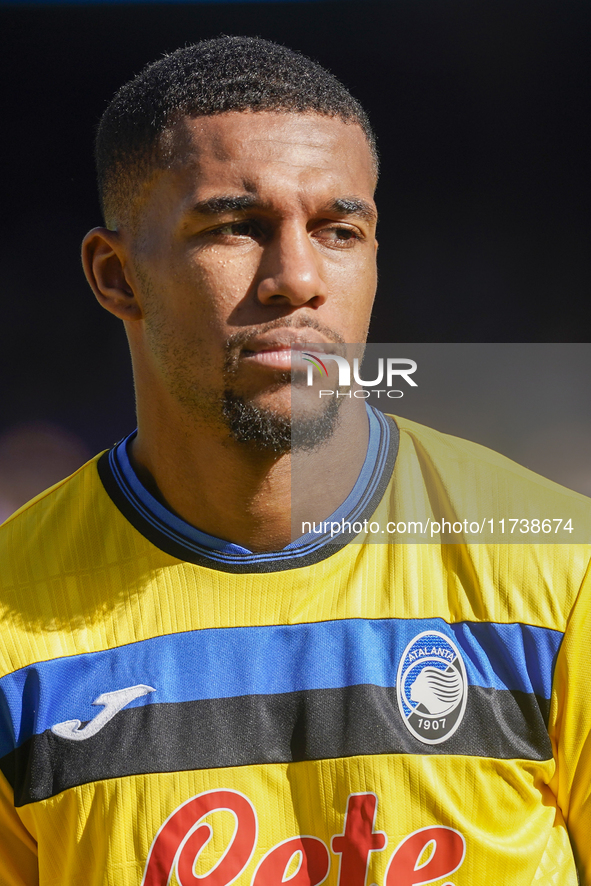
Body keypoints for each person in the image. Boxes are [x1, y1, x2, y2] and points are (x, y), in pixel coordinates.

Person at [0, 36, 590, 886]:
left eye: (338, 229)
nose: (299, 277)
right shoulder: (15, 624)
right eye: (236, 227)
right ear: (116, 275)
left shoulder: (556, 572)